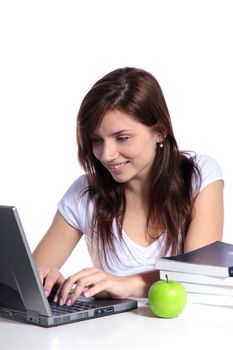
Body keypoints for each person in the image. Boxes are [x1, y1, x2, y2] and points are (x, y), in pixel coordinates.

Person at [33, 67, 224, 307]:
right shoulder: (85, 193)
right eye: (97, 140)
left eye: (122, 138)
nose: (107, 154)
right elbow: (29, 280)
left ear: (159, 131)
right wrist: (47, 280)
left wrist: (125, 284)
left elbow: (198, 276)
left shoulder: (199, 175)